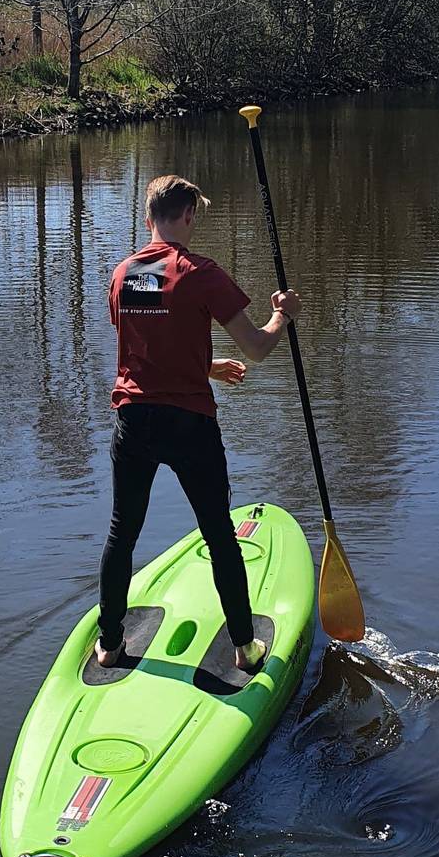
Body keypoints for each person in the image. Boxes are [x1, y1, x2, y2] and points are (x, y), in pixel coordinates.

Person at [97, 174, 301, 672]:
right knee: (217, 534)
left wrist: (206, 365)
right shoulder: (200, 272)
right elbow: (256, 347)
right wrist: (283, 317)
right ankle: (244, 646)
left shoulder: (125, 275)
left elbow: (143, 343)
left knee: (122, 533)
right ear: (188, 215)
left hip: (134, 421)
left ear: (149, 219)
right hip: (189, 424)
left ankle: (110, 644)